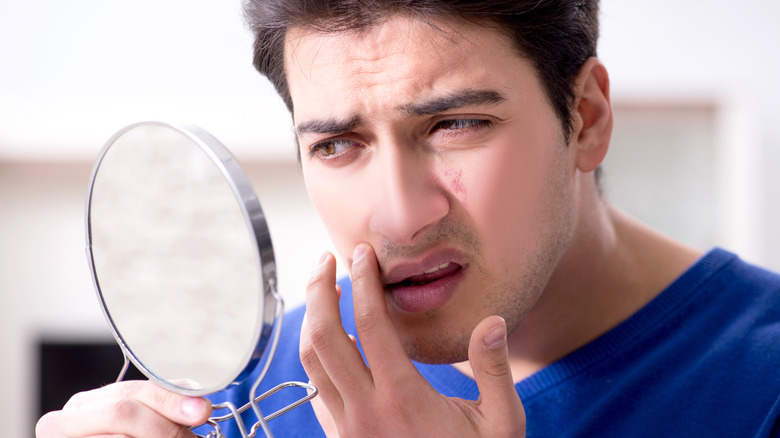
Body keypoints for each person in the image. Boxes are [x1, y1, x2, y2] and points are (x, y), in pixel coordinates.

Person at [36, 0, 780, 436]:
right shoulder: (242, 401)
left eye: (455, 125)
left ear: (584, 118)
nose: (399, 218)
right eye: (337, 143)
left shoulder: (763, 389)